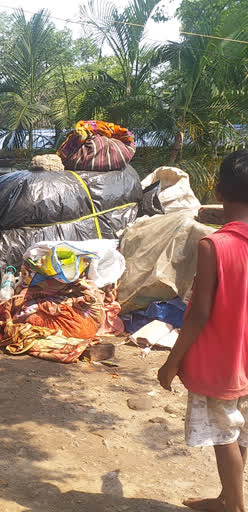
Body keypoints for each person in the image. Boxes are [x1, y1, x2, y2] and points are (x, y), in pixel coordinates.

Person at [157, 150, 248, 512]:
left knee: (224, 435)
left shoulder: (214, 246)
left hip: (222, 363)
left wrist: (172, 362)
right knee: (239, 430)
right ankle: (226, 498)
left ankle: (235, 507)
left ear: (219, 191)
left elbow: (199, 314)